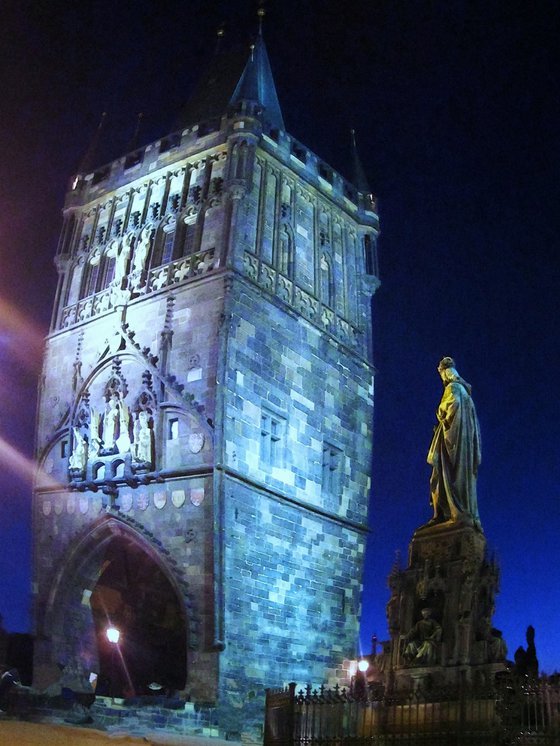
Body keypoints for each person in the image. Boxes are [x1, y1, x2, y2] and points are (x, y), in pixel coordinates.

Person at [426, 357, 482, 529]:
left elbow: (452, 406)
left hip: (453, 444)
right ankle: (462, 512)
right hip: (464, 448)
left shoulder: (453, 388)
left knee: (443, 477)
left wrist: (441, 413)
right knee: (460, 479)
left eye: (442, 374)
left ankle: (450, 513)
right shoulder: (466, 394)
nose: (442, 378)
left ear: (446, 372)